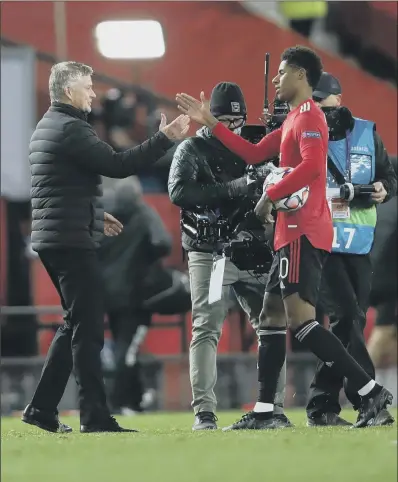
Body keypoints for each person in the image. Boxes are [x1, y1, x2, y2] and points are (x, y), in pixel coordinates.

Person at [176, 45, 393, 430]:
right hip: (290, 231)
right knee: (272, 316)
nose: (275, 79)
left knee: (302, 322)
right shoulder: (295, 118)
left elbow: (311, 167)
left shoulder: (310, 117)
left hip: (302, 230)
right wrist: (210, 119)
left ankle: (371, 392)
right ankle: (266, 412)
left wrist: (268, 198)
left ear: (300, 77)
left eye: (281, 72)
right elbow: (255, 151)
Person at [22, 61, 189, 434]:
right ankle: (94, 416)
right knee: (89, 330)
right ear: (69, 92)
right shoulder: (71, 129)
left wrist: (96, 214)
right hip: (69, 241)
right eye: (87, 86)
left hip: (56, 237)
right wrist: (165, 138)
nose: (93, 93)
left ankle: (42, 409)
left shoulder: (46, 128)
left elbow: (59, 189)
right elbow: (117, 165)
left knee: (75, 324)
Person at [169, 82, 290, 430]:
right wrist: (237, 187)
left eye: (237, 119)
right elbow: (179, 192)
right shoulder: (192, 149)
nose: (232, 125)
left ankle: (272, 408)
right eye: (224, 119)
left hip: (252, 249)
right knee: (206, 327)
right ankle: (204, 413)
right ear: (211, 118)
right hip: (212, 253)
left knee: (271, 326)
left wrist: (280, 129)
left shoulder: (257, 144)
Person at [304, 73, 396, 426]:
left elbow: (390, 178)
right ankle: (369, 399)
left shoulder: (366, 133)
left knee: (351, 322)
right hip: (320, 242)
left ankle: (321, 406)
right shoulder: (305, 133)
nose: (318, 109)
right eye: (312, 102)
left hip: (358, 244)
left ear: (338, 100)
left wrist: (380, 189)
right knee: (344, 316)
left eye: (323, 102)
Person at [99, 177, 191, 414]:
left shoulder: (102, 215)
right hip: (136, 293)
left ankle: (135, 399)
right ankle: (121, 402)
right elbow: (162, 242)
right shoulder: (142, 211)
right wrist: (146, 261)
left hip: (106, 293)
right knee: (126, 349)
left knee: (123, 344)